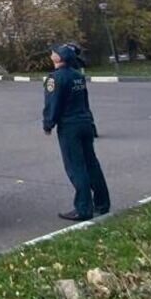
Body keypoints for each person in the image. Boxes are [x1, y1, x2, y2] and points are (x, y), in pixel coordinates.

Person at [43, 44, 110, 221]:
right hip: (85, 123)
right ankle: (102, 203)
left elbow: (53, 104)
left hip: (69, 126)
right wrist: (91, 123)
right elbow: (85, 102)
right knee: (91, 164)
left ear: (59, 58)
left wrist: (48, 123)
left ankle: (83, 208)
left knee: (76, 167)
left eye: (53, 52)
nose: (51, 54)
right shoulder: (78, 76)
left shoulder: (55, 78)